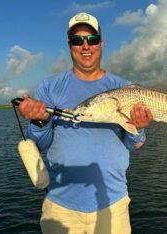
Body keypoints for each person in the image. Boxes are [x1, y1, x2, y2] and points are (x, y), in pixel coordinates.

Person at [18, 12, 153, 234]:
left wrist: (137, 128)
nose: (85, 46)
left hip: (113, 204)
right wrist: (39, 121)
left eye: (91, 39)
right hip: (60, 207)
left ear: (101, 42)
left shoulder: (125, 87)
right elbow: (39, 144)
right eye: (77, 40)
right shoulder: (50, 87)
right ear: (69, 45)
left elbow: (134, 144)